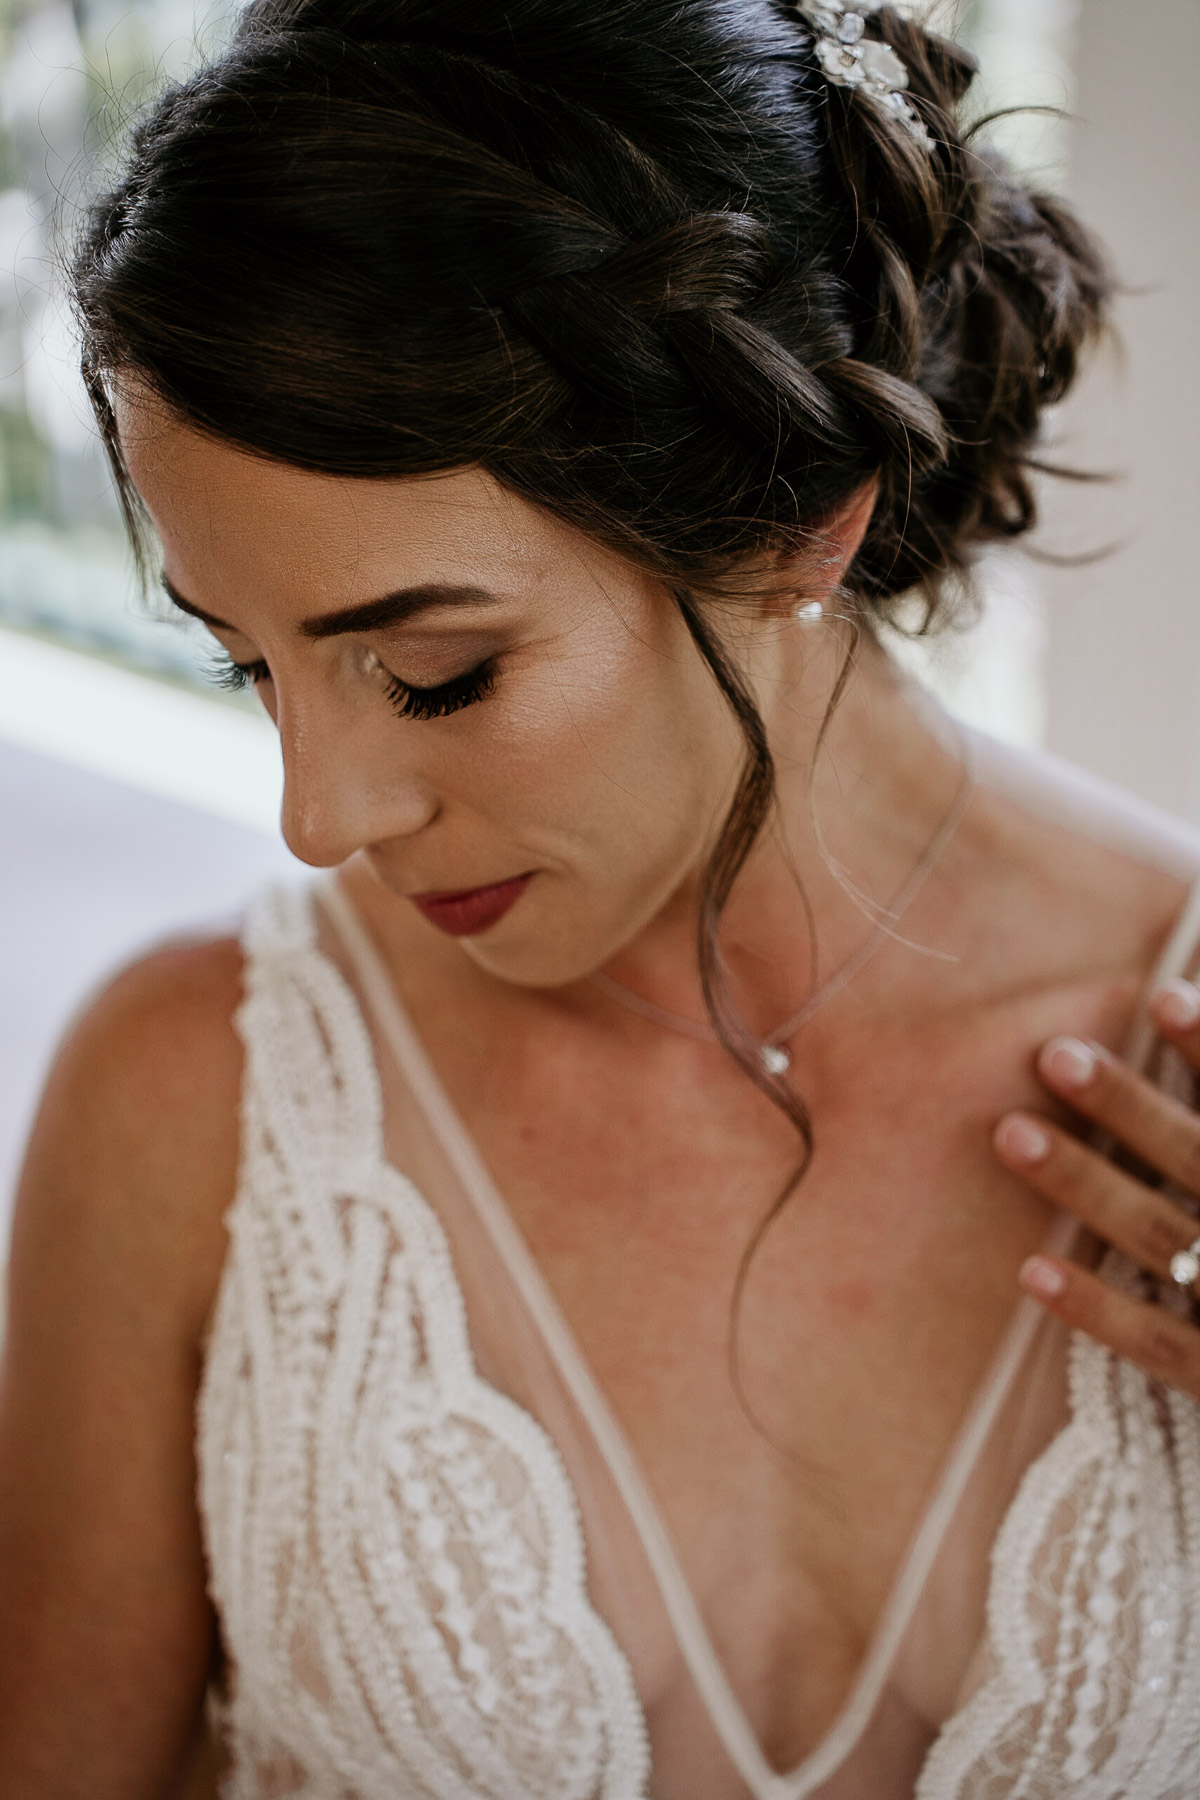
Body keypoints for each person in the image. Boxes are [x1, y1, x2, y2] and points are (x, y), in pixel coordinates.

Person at [1, 2, 1197, 1795]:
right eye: (249, 663)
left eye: (429, 672)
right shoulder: (201, 1096)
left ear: (800, 522)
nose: (318, 819)